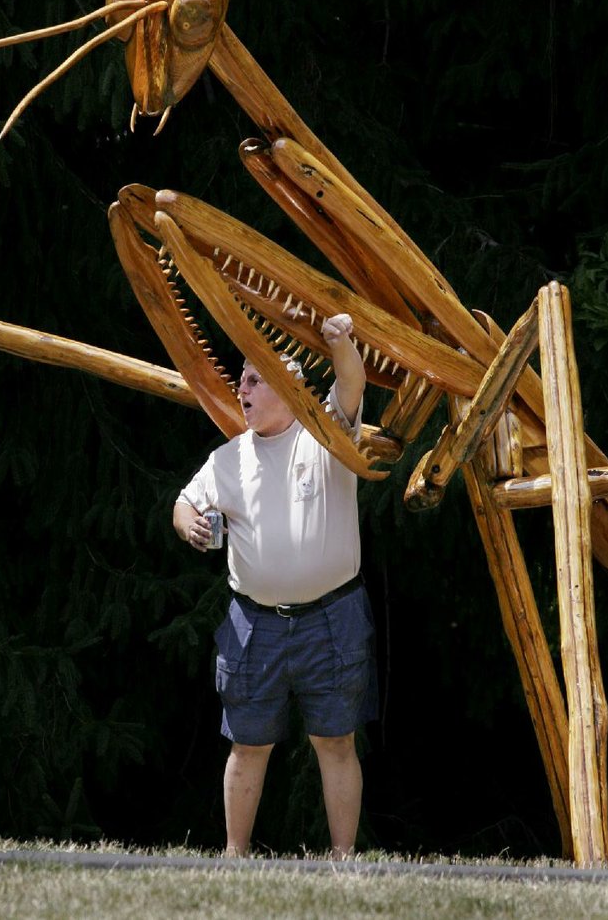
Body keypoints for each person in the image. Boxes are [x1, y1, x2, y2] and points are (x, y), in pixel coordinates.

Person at [173, 312, 378, 858]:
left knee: (336, 740)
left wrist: (339, 342)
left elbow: (352, 383)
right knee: (248, 743)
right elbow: (184, 502)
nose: (241, 389)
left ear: (289, 390)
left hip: (333, 616)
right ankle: (235, 858)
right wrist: (188, 522)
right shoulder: (229, 458)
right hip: (254, 620)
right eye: (242, 380)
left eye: (255, 380)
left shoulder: (326, 435)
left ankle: (343, 862)